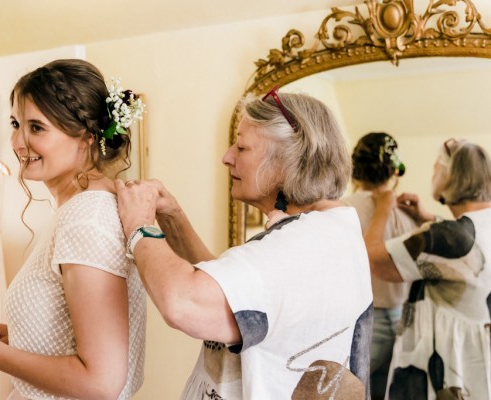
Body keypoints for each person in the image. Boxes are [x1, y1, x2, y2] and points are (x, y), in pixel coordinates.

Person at [115, 88, 373, 399]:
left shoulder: (302, 246)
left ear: (286, 163)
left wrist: (139, 227)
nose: (227, 157)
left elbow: (184, 302)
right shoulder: (328, 231)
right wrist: (174, 219)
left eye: (241, 147)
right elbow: (236, 302)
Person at [0, 59, 147, 400]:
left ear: (87, 136)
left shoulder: (86, 218)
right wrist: (19, 337)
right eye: (16, 123)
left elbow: (101, 382)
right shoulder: (83, 210)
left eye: (36, 128)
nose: (19, 142)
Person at [364, 138, 491, 399]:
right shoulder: (476, 226)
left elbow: (375, 260)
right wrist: (429, 218)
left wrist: (382, 209)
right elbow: (464, 245)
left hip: (447, 369)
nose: (432, 174)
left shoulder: (444, 237)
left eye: (436, 169)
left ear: (451, 177)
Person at [341, 132, 418, 399]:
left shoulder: (342, 210)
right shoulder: (411, 212)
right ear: (395, 171)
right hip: (405, 320)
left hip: (363, 321)